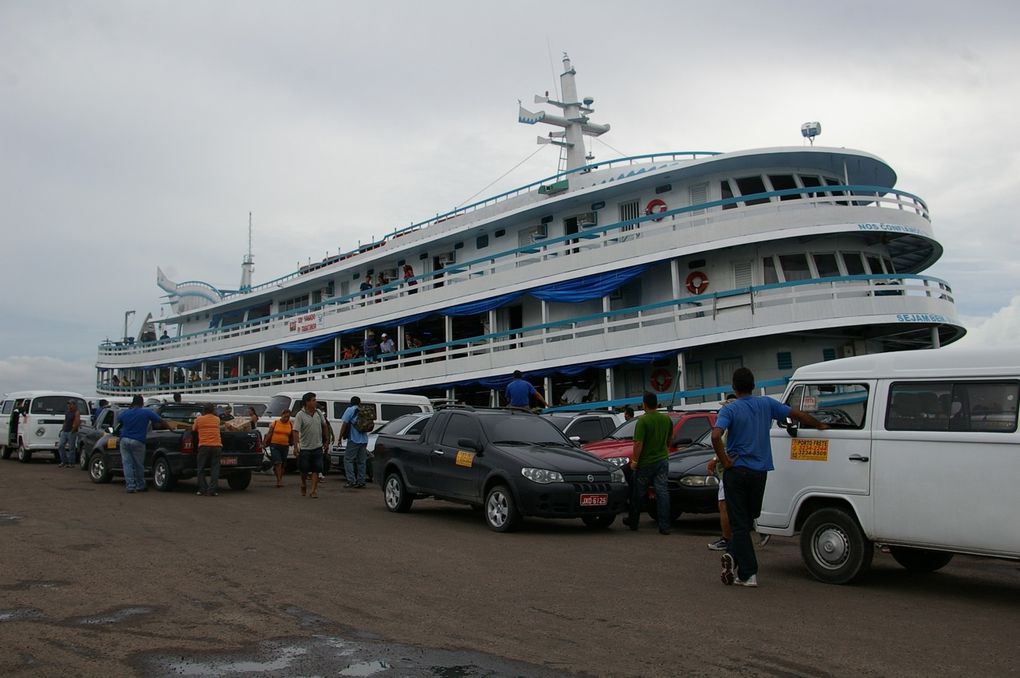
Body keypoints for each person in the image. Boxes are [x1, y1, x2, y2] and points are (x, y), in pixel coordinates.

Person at [713, 367, 828, 588]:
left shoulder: (730, 409)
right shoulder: (766, 404)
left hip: (736, 471)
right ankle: (733, 555)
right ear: (753, 385)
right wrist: (819, 425)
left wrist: (724, 460)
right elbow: (795, 414)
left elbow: (716, 435)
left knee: (739, 522)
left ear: (733, 388)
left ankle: (747, 573)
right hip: (760, 472)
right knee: (749, 518)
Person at [623, 392, 673, 535]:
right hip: (662, 460)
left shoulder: (642, 421)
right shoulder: (666, 419)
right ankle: (664, 525)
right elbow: (669, 439)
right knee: (662, 492)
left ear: (644, 404)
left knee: (638, 493)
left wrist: (635, 461)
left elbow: (638, 443)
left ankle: (633, 521)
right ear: (657, 404)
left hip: (645, 463)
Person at [116, 395, 172, 493]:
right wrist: (171, 429)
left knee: (127, 464)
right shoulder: (146, 412)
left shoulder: (125, 413)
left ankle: (130, 486)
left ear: (133, 403)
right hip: (138, 441)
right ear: (142, 403)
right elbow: (161, 421)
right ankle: (140, 485)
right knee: (138, 464)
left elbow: (119, 420)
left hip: (124, 440)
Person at [707, 394, 738, 551]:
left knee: (723, 505)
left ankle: (727, 539)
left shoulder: (729, 425)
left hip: (729, 471)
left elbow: (719, 441)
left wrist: (716, 460)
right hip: (743, 469)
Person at [293, 392, 329, 498]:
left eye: (315, 400)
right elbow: (295, 431)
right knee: (304, 469)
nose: (315, 402)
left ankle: (313, 490)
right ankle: (303, 483)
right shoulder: (300, 415)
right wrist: (296, 446)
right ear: (307, 402)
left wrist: (326, 440)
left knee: (316, 469)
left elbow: (324, 425)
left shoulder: (318, 413)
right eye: (313, 400)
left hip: (317, 447)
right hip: (305, 448)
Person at [192, 403, 224, 496]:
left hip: (204, 445)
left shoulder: (199, 419)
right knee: (215, 468)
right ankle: (212, 490)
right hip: (217, 445)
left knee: (201, 468)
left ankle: (202, 489)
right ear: (213, 410)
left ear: (204, 410)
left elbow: (194, 429)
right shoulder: (217, 419)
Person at [339, 396, 369, 488]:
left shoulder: (350, 410)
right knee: (361, 461)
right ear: (359, 402)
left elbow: (345, 423)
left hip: (354, 439)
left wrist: (340, 437)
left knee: (348, 460)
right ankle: (361, 481)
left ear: (351, 402)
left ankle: (351, 480)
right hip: (364, 439)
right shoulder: (363, 410)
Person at [264, 408, 296, 488]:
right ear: (282, 415)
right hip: (274, 445)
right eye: (285, 416)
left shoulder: (290, 424)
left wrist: (295, 445)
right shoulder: (275, 423)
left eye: (288, 417)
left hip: (285, 446)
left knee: (283, 464)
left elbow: (293, 436)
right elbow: (269, 433)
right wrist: (264, 442)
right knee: (278, 462)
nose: (286, 418)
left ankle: (280, 478)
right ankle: (279, 481)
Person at [57, 400, 81, 468]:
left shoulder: (76, 412)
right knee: (61, 446)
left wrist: (73, 430)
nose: (69, 406)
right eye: (68, 404)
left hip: (72, 431)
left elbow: (77, 422)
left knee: (71, 448)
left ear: (74, 405)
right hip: (65, 431)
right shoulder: (67, 412)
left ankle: (71, 462)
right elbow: (65, 421)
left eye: (70, 404)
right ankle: (64, 461)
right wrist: (62, 429)